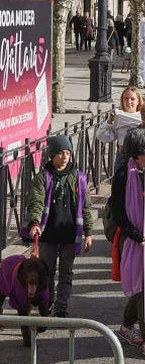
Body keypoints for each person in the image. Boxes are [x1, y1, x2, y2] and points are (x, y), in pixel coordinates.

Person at [26, 136, 94, 317]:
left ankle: (61, 307)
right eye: (60, 153)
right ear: (52, 155)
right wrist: (34, 223)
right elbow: (36, 202)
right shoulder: (43, 178)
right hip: (48, 233)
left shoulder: (79, 178)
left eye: (67, 153)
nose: (64, 157)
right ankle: (47, 303)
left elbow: (85, 207)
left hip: (70, 233)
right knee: (47, 272)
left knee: (66, 272)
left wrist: (88, 232)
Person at [113, 128, 145, 359]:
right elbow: (119, 213)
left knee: (143, 287)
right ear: (140, 155)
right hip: (135, 238)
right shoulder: (124, 175)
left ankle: (126, 326)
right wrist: (137, 235)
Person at [96, 86, 143, 172]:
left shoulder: (144, 116)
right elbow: (102, 136)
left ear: (138, 101)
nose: (129, 102)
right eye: (126, 98)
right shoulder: (118, 116)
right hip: (123, 156)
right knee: (120, 184)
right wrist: (109, 121)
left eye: (132, 99)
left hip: (140, 156)